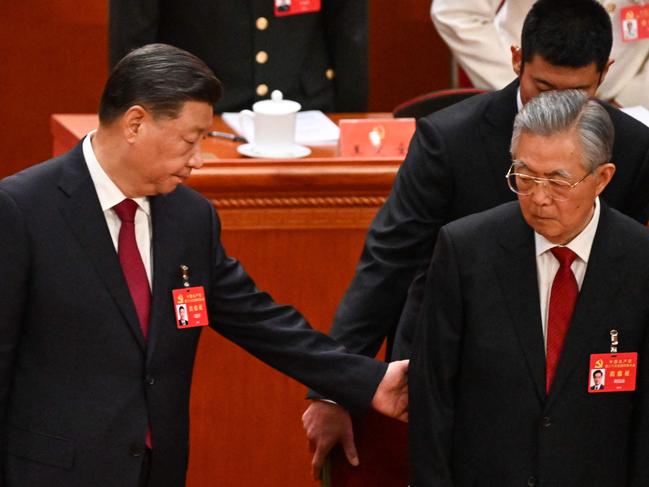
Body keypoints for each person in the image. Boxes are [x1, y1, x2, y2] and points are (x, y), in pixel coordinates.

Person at [0, 43, 408, 487]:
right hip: (51, 472)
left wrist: (370, 379)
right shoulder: (22, 210)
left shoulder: (189, 218)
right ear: (135, 123)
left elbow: (259, 320)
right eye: (190, 140)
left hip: (157, 471)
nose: (197, 159)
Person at [301, 0, 649, 479]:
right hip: (455, 371)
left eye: (578, 93)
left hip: (575, 387)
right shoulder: (450, 140)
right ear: (515, 60)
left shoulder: (632, 146)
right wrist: (335, 387)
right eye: (543, 88)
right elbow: (387, 265)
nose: (558, 108)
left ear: (605, 74)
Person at [409, 89, 649, 486]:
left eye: (558, 181)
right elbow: (432, 396)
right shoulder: (466, 251)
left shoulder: (640, 262)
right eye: (524, 176)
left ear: (602, 178)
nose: (538, 198)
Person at [108, 1, 368, 113]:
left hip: (307, 113)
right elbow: (134, 38)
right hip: (201, 115)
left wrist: (349, 120)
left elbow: (348, 31)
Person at [431, 0, 649, 107]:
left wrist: (628, 101)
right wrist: (523, 86)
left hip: (625, 104)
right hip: (526, 105)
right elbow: (456, 13)